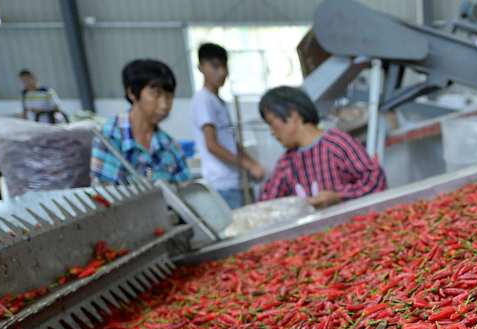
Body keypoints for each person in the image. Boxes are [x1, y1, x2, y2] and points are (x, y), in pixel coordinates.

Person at [258, 86, 386, 209]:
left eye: (271, 123)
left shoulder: (336, 143)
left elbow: (376, 180)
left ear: (293, 115)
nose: (272, 132)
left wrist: (338, 196)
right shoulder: (286, 162)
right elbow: (267, 204)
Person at [90, 59, 190, 185]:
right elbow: (105, 194)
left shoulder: (170, 146)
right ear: (132, 93)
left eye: (169, 96)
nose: (165, 105)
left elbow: (186, 192)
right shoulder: (109, 136)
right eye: (156, 94)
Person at [192, 42, 265, 210]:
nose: (222, 72)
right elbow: (212, 145)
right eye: (215, 67)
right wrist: (248, 165)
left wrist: (253, 163)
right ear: (201, 67)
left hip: (233, 181)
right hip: (221, 184)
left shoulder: (219, 102)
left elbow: (231, 142)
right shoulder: (203, 100)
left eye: (224, 67)